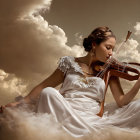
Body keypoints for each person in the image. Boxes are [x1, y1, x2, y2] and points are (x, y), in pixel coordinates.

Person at [1, 26, 140, 137]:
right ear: (94, 45)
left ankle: (85, 130)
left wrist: (138, 84)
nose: (111, 53)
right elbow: (44, 85)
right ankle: (84, 132)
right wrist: (20, 103)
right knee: (48, 92)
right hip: (64, 110)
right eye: (108, 48)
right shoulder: (69, 63)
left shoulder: (110, 70)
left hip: (92, 115)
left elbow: (121, 101)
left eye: (113, 49)